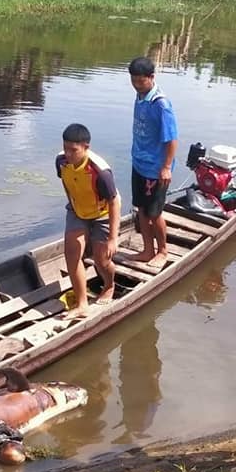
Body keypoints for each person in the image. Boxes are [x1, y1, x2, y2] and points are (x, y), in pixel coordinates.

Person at [56, 123, 120, 320]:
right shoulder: (60, 161)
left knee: (102, 260)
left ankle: (109, 285)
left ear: (86, 148)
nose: (68, 153)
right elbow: (67, 183)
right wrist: (73, 206)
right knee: (72, 255)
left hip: (101, 214)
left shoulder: (100, 172)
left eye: (73, 150)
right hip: (77, 211)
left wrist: (112, 238)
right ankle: (83, 304)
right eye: (65, 148)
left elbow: (114, 202)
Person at [127, 56, 179, 269]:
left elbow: (172, 139)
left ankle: (162, 251)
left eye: (141, 81)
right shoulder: (140, 97)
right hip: (139, 163)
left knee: (154, 213)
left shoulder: (161, 104)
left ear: (152, 78)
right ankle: (147, 250)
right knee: (141, 209)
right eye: (134, 81)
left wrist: (166, 167)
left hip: (156, 170)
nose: (137, 85)